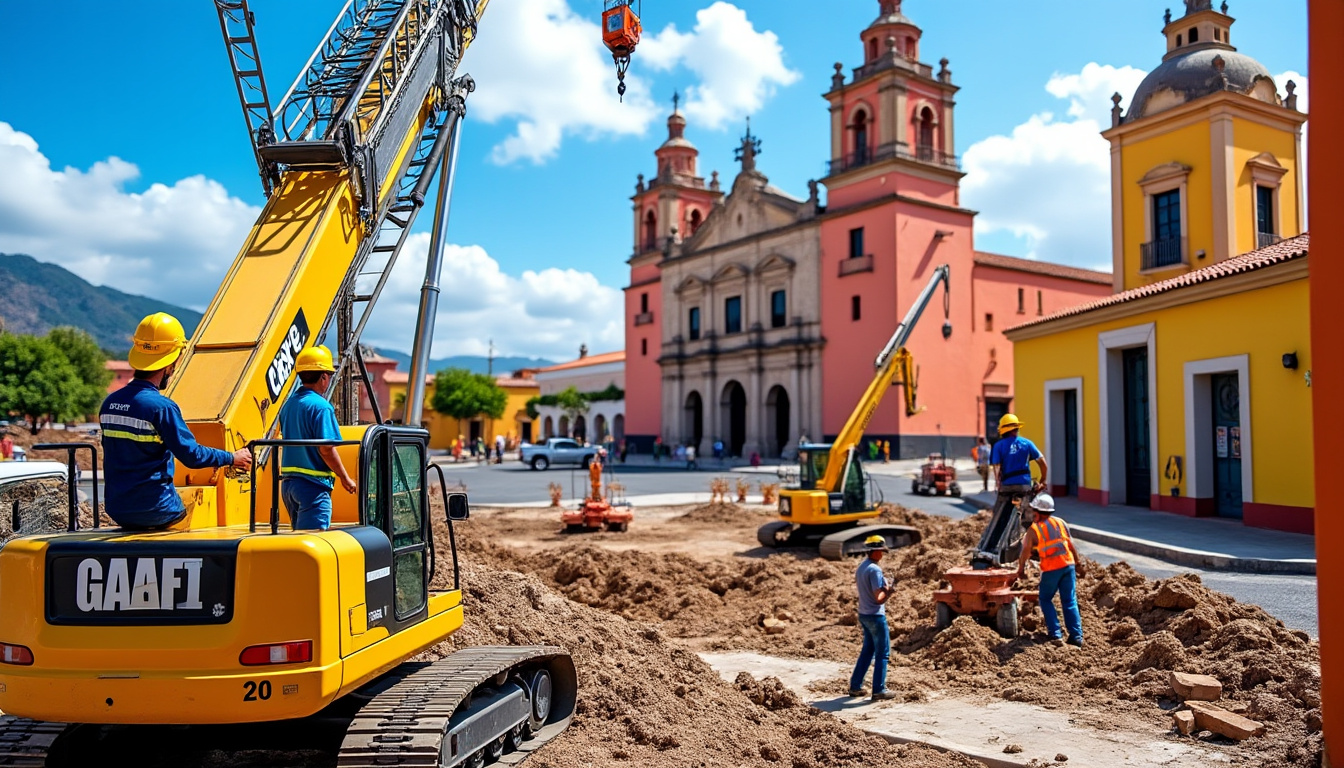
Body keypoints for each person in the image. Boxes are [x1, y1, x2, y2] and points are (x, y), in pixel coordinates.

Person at [100, 313, 252, 529]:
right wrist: (232, 457)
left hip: (118, 510)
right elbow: (192, 456)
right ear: (170, 363)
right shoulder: (162, 408)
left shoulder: (109, 404)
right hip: (157, 510)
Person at [277, 345, 357, 531]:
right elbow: (326, 449)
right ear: (323, 377)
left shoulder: (289, 405)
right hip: (313, 486)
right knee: (313, 540)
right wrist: (345, 478)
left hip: (289, 485)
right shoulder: (321, 407)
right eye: (328, 375)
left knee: (299, 542)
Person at [1016, 493, 1084, 647]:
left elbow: (1025, 551)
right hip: (1068, 565)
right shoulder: (1060, 522)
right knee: (1069, 600)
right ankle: (1076, 636)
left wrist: (1020, 568)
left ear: (1038, 512)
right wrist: (1078, 564)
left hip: (1052, 569)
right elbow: (1070, 544)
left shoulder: (1034, 530)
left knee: (1045, 599)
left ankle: (1055, 634)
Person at [849, 535, 897, 700]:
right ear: (875, 551)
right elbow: (878, 598)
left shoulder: (862, 566)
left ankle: (855, 686)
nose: (882, 554)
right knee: (883, 653)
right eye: (881, 551)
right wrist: (889, 591)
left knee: (867, 651)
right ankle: (879, 690)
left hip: (864, 614)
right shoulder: (875, 570)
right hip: (875, 616)